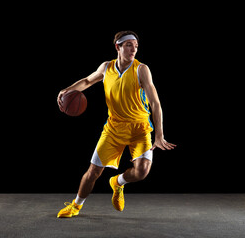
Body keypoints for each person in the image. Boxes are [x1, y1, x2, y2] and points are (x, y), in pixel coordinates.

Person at [56, 31, 176, 218]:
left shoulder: (141, 69)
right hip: (114, 129)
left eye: (136, 46)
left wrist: (159, 135)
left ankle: (118, 182)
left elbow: (155, 103)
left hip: (140, 128)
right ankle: (75, 206)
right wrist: (67, 90)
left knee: (141, 172)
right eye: (129, 45)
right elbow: (88, 81)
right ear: (118, 47)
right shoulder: (106, 67)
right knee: (93, 171)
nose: (133, 49)